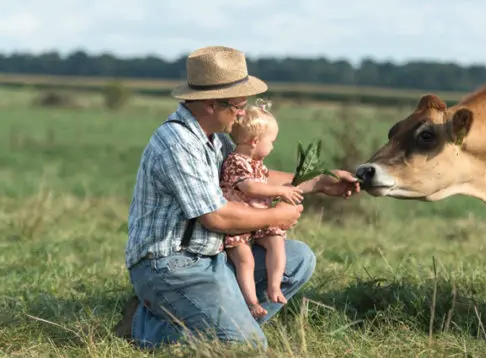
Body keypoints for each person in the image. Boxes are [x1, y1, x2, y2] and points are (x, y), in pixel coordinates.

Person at [113, 45, 360, 350]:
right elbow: (216, 216)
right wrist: (275, 217)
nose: (244, 112)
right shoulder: (177, 144)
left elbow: (251, 180)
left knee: (298, 260)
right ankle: (143, 324)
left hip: (211, 257)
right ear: (210, 105)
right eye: (238, 104)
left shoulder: (215, 138)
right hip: (171, 266)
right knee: (246, 348)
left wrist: (320, 181)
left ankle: (227, 322)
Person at [218, 99, 304, 319]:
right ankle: (251, 302)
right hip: (238, 224)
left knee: (277, 241)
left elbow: (266, 181)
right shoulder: (236, 161)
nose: (273, 146)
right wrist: (280, 192)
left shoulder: (257, 163)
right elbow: (250, 187)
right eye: (272, 141)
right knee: (245, 260)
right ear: (255, 141)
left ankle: (274, 286)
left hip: (259, 219)